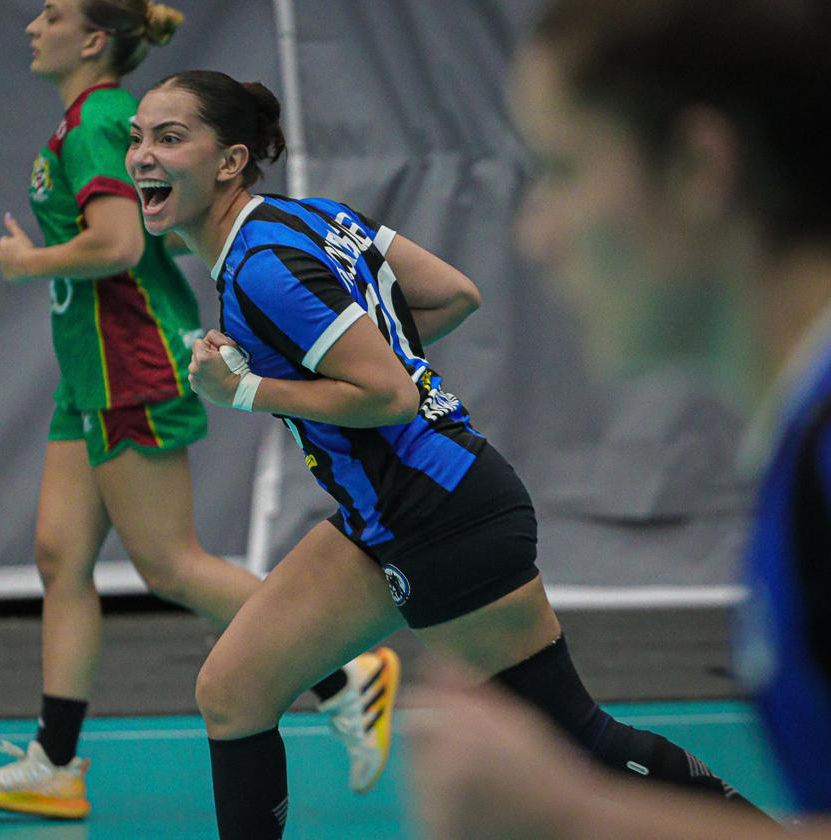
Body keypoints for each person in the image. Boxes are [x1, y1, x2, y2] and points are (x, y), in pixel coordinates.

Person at [124, 69, 763, 839]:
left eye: (169, 137)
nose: (142, 157)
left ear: (229, 161)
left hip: (446, 516)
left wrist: (249, 391)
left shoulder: (261, 269)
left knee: (575, 741)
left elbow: (387, 395)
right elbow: (455, 293)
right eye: (137, 138)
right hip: (384, 512)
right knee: (232, 690)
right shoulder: (316, 217)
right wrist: (380, 368)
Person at [0, 1, 401, 821]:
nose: (30, 25)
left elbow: (118, 243)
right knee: (60, 556)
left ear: (92, 40)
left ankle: (344, 673)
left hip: (132, 360)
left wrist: (26, 262)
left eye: (50, 13)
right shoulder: (98, 120)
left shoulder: (102, 124)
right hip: (85, 367)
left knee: (169, 564)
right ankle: (54, 760)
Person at [407, 0, 831, 836]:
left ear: (698, 170)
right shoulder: (798, 436)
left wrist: (578, 817)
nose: (535, 234)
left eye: (563, 170)